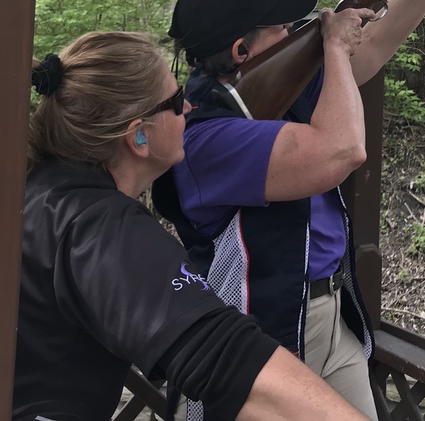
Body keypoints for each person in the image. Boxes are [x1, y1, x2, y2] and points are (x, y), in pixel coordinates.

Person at [156, 0, 425, 421]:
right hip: (263, 331)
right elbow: (342, 151)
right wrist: (333, 49)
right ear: (241, 52)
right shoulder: (208, 136)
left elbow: (374, 48)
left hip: (329, 310)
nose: (301, 31)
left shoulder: (271, 97)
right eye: (284, 27)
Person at [14, 30, 370, 421]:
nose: (186, 106)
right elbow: (222, 357)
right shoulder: (98, 226)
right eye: (172, 100)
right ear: (138, 135)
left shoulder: (38, 189)